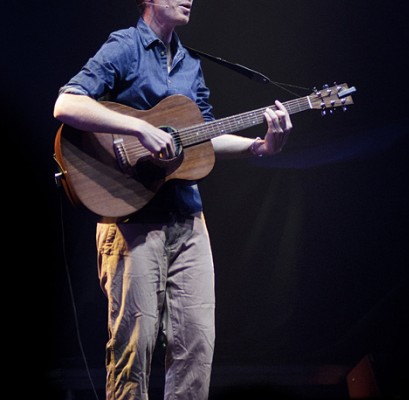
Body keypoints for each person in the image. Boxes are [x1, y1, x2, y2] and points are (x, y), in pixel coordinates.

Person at [53, 1, 293, 399]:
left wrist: (260, 146)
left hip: (187, 220)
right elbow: (67, 103)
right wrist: (139, 129)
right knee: (136, 349)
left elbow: (204, 135)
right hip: (131, 221)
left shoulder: (189, 63)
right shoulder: (125, 46)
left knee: (196, 348)